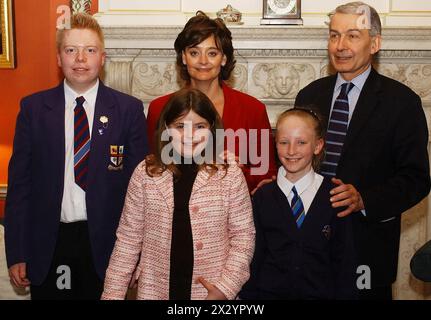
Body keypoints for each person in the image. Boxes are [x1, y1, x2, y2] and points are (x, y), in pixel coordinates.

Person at [4, 13, 149, 300]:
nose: (80, 59)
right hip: (50, 243)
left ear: (102, 58)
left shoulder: (128, 111)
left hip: (110, 245)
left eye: (90, 50)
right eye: (71, 50)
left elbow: (141, 190)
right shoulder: (34, 109)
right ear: (59, 58)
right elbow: (20, 185)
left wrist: (139, 253)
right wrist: (17, 251)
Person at [294, 2, 430, 300]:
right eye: (333, 36)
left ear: (375, 43)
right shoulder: (309, 95)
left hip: (366, 249)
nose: (340, 46)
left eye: (353, 36)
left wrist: (364, 199)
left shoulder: (402, 103)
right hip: (308, 249)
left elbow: (416, 178)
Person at [102, 88, 255, 300]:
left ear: (212, 130)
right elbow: (128, 239)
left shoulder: (229, 174)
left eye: (200, 126)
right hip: (155, 289)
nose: (189, 135)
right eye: (180, 126)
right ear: (166, 127)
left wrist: (225, 288)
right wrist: (112, 295)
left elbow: (243, 238)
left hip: (212, 291)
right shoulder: (145, 173)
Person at [146, 11, 277, 193]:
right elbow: (152, 167)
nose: (203, 61)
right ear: (184, 57)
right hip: (176, 209)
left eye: (212, 53)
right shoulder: (159, 108)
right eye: (194, 52)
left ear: (223, 59)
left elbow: (265, 172)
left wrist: (236, 171)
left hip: (237, 210)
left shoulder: (252, 109)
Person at [239, 108, 357, 300]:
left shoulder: (335, 197)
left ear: (318, 146)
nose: (291, 150)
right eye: (284, 142)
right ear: (275, 145)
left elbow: (344, 264)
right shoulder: (262, 197)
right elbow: (254, 257)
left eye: (301, 142)